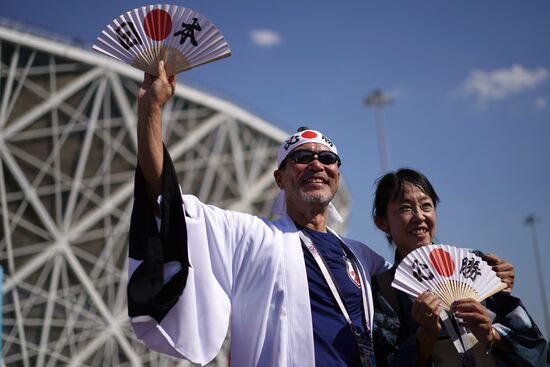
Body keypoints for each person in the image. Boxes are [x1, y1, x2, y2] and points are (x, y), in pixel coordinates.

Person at [127, 61, 388, 366]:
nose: (316, 164)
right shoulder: (252, 236)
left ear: (337, 176)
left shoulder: (362, 258)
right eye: (302, 158)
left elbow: (415, 279)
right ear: (280, 178)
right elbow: (167, 200)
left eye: (327, 158)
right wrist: (151, 109)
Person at [370, 168, 547, 367]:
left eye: (426, 205)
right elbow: (383, 360)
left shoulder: (475, 263)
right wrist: (425, 337)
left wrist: (491, 334)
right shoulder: (384, 290)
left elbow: (534, 343)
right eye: (405, 208)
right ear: (382, 222)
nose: (419, 216)